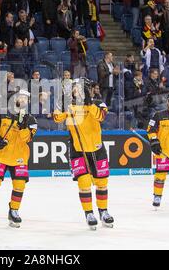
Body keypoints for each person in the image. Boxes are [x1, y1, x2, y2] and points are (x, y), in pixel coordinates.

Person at [53, 78, 114, 230]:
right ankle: (89, 213)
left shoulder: (98, 103)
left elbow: (101, 117)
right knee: (84, 183)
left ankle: (103, 211)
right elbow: (56, 118)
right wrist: (61, 104)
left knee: (102, 183)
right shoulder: (69, 105)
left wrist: (89, 104)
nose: (77, 91)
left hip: (97, 149)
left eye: (80, 89)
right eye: (74, 89)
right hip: (78, 150)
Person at [0, 90, 37, 227]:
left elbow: (27, 138)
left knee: (19, 185)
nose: (23, 101)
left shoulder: (31, 120)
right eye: (21, 98)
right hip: (1, 155)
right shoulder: (0, 113)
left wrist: (23, 126)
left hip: (19, 157)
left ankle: (14, 211)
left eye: (26, 99)